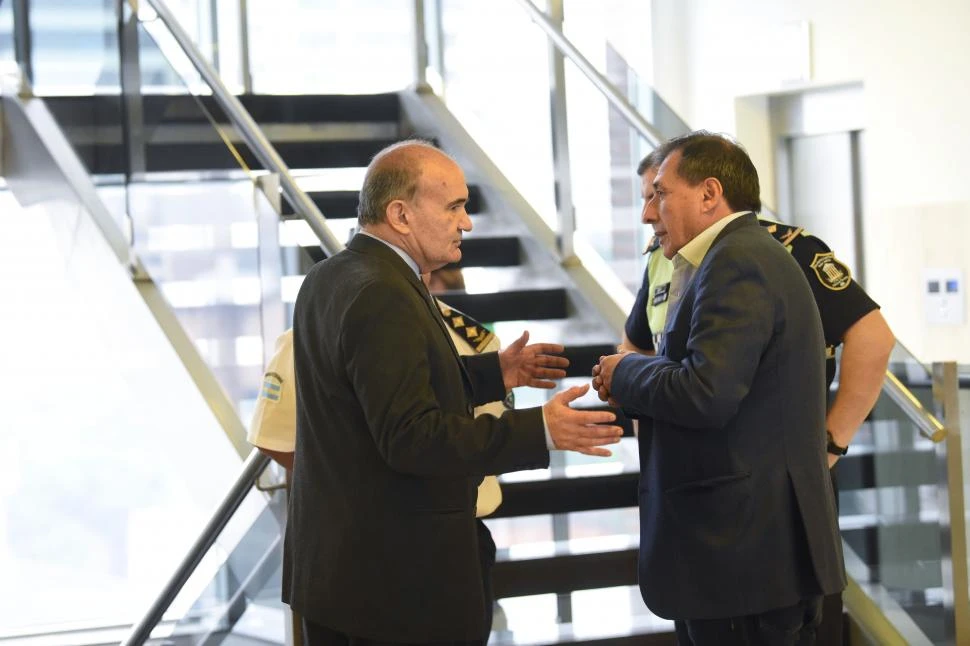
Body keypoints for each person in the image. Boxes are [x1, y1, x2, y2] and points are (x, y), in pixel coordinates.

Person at [284, 140, 623, 646]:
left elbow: (375, 391)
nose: (466, 222)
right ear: (400, 214)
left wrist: (493, 373)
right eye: (454, 207)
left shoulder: (331, 276)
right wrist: (540, 429)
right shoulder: (382, 292)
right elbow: (411, 437)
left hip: (343, 579)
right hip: (396, 592)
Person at [621, 144, 894, 644]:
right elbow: (643, 345)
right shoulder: (675, 261)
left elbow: (706, 390)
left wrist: (830, 443)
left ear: (709, 194)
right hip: (720, 511)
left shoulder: (753, 254)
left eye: (659, 195)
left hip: (750, 527)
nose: (648, 213)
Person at [248, 274, 509, 637]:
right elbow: (273, 435)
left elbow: (480, 444)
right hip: (353, 542)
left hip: (453, 541)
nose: (463, 223)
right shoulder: (321, 328)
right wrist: (354, 481)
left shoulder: (471, 340)